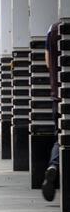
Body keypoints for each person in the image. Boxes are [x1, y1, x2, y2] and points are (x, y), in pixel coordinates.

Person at [42, 22, 61, 202]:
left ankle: (54, 165)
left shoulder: (52, 29)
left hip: (57, 92)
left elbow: (48, 62)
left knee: (60, 135)